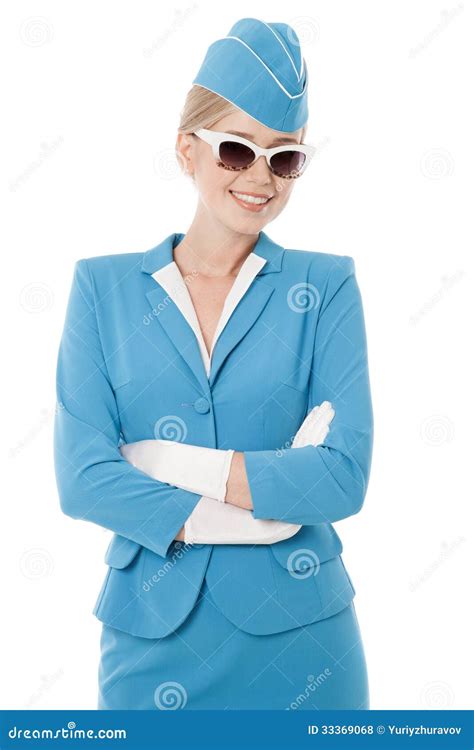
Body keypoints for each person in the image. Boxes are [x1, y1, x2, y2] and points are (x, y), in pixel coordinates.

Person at [54, 17, 374, 710]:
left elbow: (344, 476)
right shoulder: (102, 289)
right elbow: (82, 480)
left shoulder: (325, 287)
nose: (261, 177)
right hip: (149, 644)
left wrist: (161, 462)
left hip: (307, 648)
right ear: (186, 151)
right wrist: (265, 509)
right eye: (236, 150)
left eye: (283, 157)